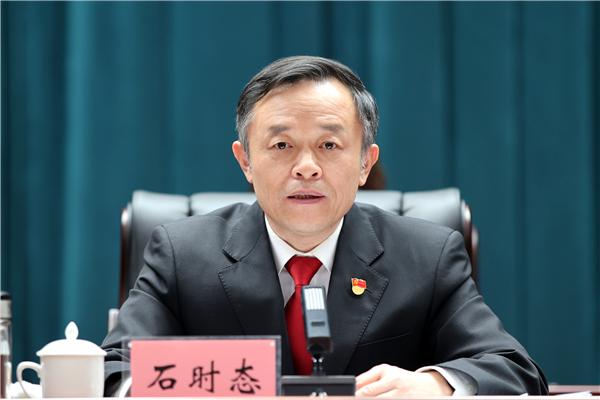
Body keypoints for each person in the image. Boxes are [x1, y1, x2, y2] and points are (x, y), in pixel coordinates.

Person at [102, 56, 548, 396]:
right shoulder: (181, 254)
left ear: (365, 163)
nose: (307, 167)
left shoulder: (427, 257)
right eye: (282, 145)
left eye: (329, 145)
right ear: (245, 161)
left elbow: (512, 368)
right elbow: (113, 370)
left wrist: (436, 384)